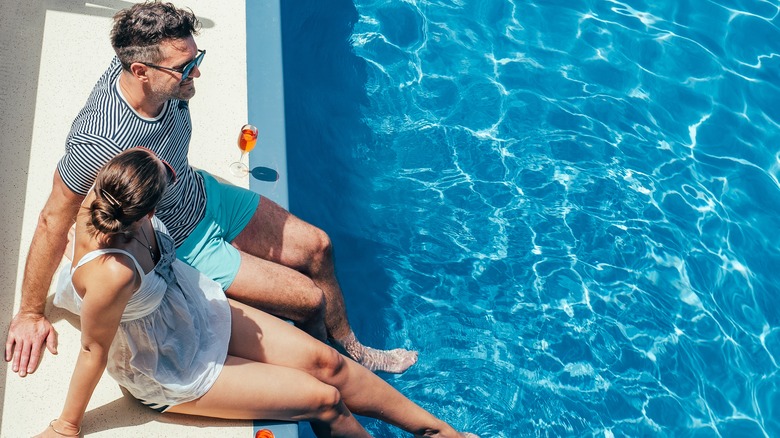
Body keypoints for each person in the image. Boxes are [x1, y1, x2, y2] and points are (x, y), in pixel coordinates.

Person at [5, 1, 416, 376]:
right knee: (309, 299)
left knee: (319, 246)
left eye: (195, 58)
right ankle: (334, 369)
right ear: (139, 72)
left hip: (203, 193)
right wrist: (27, 312)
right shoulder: (99, 144)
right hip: (182, 243)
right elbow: (51, 219)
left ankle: (352, 348)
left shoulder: (156, 75)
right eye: (184, 68)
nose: (196, 72)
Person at [34, 148, 475, 438]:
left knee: (327, 362)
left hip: (193, 309)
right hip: (167, 363)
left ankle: (439, 432)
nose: (169, 169)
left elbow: (155, 164)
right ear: (149, 211)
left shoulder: (114, 189)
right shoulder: (113, 273)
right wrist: (67, 425)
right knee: (323, 398)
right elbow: (93, 348)